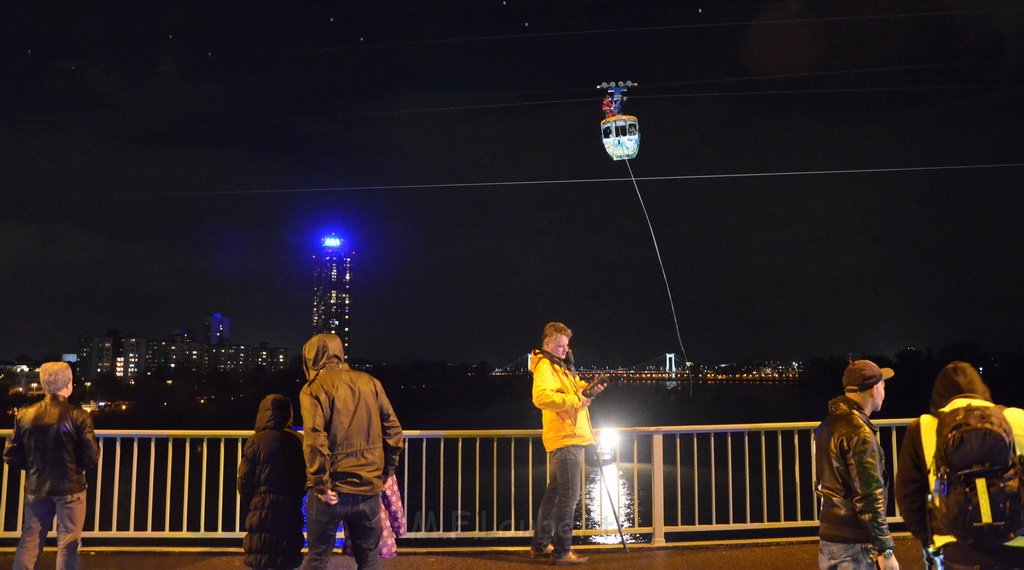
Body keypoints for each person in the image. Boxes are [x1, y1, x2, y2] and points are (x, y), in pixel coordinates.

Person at [895, 361, 1024, 569]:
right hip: (1017, 547)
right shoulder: (1017, 418)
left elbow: (908, 497)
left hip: (957, 548)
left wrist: (931, 538)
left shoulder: (924, 426)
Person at [299, 334, 403, 570]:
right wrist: (386, 471)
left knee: (317, 558)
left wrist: (321, 484)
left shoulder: (314, 388)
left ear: (311, 358)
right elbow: (394, 430)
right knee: (369, 558)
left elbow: (315, 440)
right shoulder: (371, 382)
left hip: (331, 490)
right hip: (368, 486)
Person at [3, 362, 99, 570]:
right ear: (68, 384)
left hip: (36, 487)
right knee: (68, 544)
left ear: (43, 383)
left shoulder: (24, 414)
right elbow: (91, 456)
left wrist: (34, 468)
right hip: (70, 489)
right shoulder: (79, 416)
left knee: (30, 539)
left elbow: (11, 455)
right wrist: (76, 468)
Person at [529, 322, 605, 566]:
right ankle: (561, 552)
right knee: (568, 498)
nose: (564, 350)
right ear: (547, 344)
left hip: (565, 438)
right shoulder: (545, 366)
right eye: (559, 346)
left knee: (553, 496)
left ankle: (540, 546)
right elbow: (541, 397)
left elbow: (574, 390)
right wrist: (577, 399)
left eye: (566, 346)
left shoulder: (559, 366)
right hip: (567, 439)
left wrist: (588, 388)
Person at [814, 359, 899, 570]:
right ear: (874, 390)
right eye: (883, 386)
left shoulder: (827, 425)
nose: (884, 392)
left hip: (830, 538)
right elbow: (869, 496)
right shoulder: (860, 433)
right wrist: (885, 549)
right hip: (855, 545)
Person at [237, 393, 306, 570]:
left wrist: (252, 501)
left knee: (261, 555)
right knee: (285, 555)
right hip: (288, 505)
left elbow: (245, 478)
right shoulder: (297, 440)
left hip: (260, 504)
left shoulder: (256, 441)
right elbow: (303, 476)